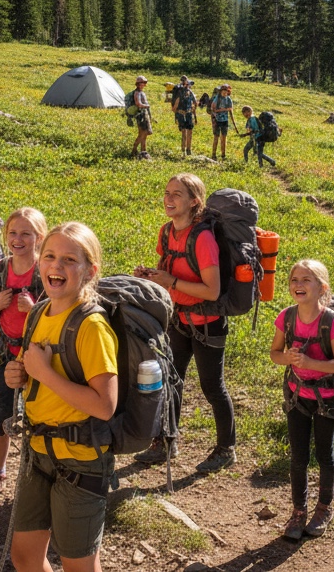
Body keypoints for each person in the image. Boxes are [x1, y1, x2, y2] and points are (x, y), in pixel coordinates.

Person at [5, 222, 118, 572]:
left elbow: (105, 405)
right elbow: (35, 375)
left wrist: (44, 374)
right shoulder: (37, 313)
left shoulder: (92, 327)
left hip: (80, 460)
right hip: (38, 452)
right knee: (24, 556)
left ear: (89, 271)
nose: (56, 266)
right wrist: (21, 375)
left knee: (79, 566)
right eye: (50, 256)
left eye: (70, 259)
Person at [131, 173, 237, 473]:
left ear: (194, 201)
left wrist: (171, 280)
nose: (168, 198)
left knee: (212, 387)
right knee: (171, 380)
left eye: (176, 194)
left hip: (208, 324)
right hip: (179, 319)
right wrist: (152, 276)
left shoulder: (202, 238)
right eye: (166, 192)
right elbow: (169, 272)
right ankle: (167, 441)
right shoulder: (166, 232)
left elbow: (212, 290)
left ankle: (226, 448)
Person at [0, 207, 48, 505]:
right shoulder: (0, 270)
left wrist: (33, 309)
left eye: (25, 234)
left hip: (40, 354)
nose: (18, 239)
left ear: (39, 238)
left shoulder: (46, 270)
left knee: (39, 416)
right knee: (2, 415)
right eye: (13, 233)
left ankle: (37, 476)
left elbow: (59, 318)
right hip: (7, 354)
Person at [270, 259, 334, 541]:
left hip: (325, 398)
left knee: (325, 455)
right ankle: (299, 511)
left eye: (306, 280)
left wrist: (310, 361)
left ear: (321, 288)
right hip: (296, 396)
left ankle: (324, 507)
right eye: (294, 280)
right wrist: (287, 359)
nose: (298, 285)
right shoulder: (286, 317)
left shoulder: (331, 322)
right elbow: (275, 354)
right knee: (298, 457)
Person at [172, 75, 198, 156]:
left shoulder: (190, 93)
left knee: (189, 132)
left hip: (188, 114)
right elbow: (174, 107)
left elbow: (195, 104)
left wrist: (194, 115)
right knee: (184, 132)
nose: (188, 86)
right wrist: (178, 113)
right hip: (183, 114)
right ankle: (184, 150)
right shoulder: (179, 93)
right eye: (187, 84)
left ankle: (188, 150)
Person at [210, 84, 235, 161]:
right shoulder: (217, 99)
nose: (224, 93)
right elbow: (213, 109)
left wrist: (234, 123)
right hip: (217, 120)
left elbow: (230, 110)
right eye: (223, 91)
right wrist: (223, 110)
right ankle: (213, 154)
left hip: (225, 121)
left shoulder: (228, 99)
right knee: (216, 137)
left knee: (224, 138)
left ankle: (223, 155)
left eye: (226, 92)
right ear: (220, 92)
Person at [131, 75, 152, 159]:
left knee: (145, 134)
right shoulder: (137, 93)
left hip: (145, 114)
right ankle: (134, 150)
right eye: (142, 83)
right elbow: (138, 104)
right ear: (138, 84)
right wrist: (146, 106)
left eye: (144, 83)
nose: (143, 84)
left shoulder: (142, 92)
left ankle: (143, 151)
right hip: (141, 115)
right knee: (142, 134)